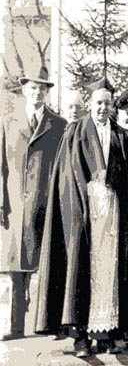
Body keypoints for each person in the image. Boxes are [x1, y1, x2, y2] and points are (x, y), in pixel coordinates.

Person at [36, 77, 128, 357]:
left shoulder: (122, 135)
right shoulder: (75, 132)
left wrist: (114, 181)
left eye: (107, 104)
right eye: (98, 103)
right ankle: (81, 336)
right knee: (81, 269)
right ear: (90, 103)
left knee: (110, 270)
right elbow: (65, 177)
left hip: (113, 214)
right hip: (84, 213)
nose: (102, 108)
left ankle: (107, 333)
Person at [0, 67, 66, 340]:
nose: (37, 93)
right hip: (15, 204)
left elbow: (63, 167)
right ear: (24, 91)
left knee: (48, 265)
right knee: (16, 269)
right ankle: (16, 327)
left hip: (45, 203)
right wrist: (1, 203)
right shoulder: (8, 121)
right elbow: (0, 166)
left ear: (47, 92)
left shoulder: (58, 124)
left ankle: (50, 324)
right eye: (32, 88)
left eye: (42, 88)